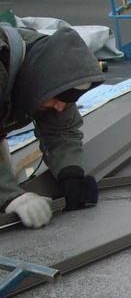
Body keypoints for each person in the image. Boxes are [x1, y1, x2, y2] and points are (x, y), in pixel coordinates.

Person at [0, 25, 104, 228]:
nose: (61, 107)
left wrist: (70, 172)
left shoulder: (51, 66)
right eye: (58, 99)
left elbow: (61, 130)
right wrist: (10, 196)